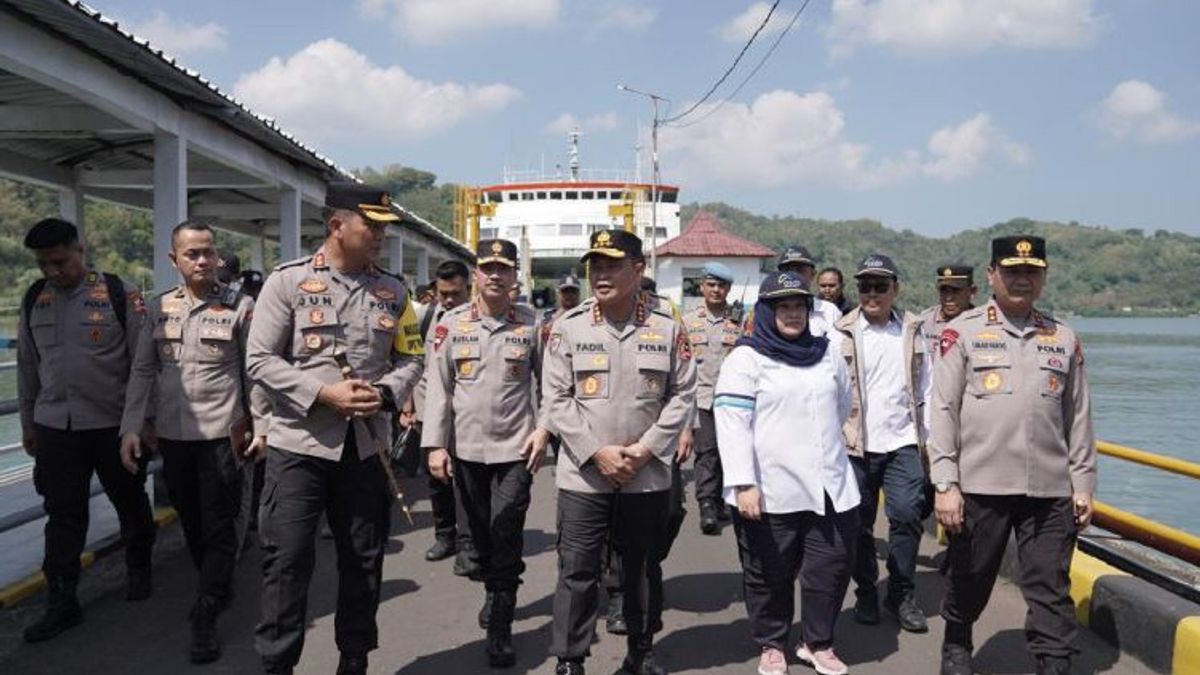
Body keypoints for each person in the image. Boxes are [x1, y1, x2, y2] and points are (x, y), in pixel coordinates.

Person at [246, 182, 425, 675]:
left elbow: (411, 356)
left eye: (385, 228)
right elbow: (259, 360)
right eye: (372, 226)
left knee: (363, 560)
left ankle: (354, 658)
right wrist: (323, 393)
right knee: (287, 563)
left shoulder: (394, 290)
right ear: (336, 226)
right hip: (299, 445)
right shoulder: (287, 283)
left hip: (366, 449)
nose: (381, 236)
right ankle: (277, 664)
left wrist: (386, 392)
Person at [931, 235, 1097, 675]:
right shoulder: (962, 332)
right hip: (981, 483)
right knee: (973, 575)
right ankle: (957, 638)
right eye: (1012, 271)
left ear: (1043, 278)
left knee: (1049, 584)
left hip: (1049, 488)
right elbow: (942, 411)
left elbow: (1078, 417)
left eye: (1031, 272)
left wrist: (1083, 485)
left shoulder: (1062, 337)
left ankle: (1054, 661)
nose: (1022, 279)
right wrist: (945, 484)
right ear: (991, 276)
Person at [543, 229, 696, 675]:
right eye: (596, 267)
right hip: (584, 475)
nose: (601, 275)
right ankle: (570, 659)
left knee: (642, 568)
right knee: (577, 569)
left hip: (645, 475)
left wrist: (645, 451)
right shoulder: (568, 328)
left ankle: (640, 650)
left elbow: (682, 395)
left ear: (638, 269)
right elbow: (555, 398)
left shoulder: (667, 327)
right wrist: (596, 453)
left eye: (612, 265)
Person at [118, 221, 267, 663]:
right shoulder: (159, 308)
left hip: (223, 433)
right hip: (173, 436)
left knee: (220, 522)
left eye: (208, 252)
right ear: (174, 260)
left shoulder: (239, 306)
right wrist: (131, 427)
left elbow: (252, 374)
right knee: (191, 519)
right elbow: (143, 370)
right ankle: (214, 583)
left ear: (218, 255)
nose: (202, 261)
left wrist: (261, 427)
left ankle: (205, 613)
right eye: (192, 254)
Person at [16, 218, 157, 644]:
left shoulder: (118, 292)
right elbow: (27, 367)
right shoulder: (34, 298)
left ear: (80, 248)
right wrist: (28, 424)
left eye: (59, 262)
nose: (53, 272)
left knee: (129, 501)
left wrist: (139, 423)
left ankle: (138, 567)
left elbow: (142, 365)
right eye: (44, 265)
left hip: (114, 425)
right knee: (62, 514)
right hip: (56, 427)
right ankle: (62, 601)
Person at [715, 271, 860, 675]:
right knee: (768, 573)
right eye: (783, 307)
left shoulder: (828, 351)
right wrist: (744, 483)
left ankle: (817, 641)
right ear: (766, 311)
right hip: (769, 488)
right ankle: (772, 642)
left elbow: (841, 403)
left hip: (830, 484)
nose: (793, 314)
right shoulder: (746, 358)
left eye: (799, 306)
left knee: (829, 568)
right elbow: (731, 424)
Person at [422, 239, 551, 668]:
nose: (495, 275)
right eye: (488, 267)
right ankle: (494, 590)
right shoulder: (451, 324)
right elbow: (439, 388)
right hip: (466, 450)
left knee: (506, 530)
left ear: (516, 276)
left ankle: (501, 623)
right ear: (476, 274)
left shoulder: (532, 324)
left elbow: (550, 385)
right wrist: (436, 445)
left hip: (516, 449)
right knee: (477, 536)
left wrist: (544, 430)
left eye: (504, 268)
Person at [832, 254, 931, 633]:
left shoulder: (912, 330)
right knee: (857, 525)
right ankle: (867, 592)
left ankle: (902, 593)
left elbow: (928, 386)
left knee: (906, 515)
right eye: (865, 286)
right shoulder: (840, 332)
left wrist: (931, 446)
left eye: (880, 286)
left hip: (903, 441)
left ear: (895, 290)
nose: (871, 294)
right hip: (854, 444)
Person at [410, 259, 479, 574]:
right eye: (443, 293)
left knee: (464, 482)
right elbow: (413, 363)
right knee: (436, 480)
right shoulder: (426, 318)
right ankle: (444, 536)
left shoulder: (478, 318)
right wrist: (408, 406)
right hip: (429, 410)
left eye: (455, 293)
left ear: (469, 287)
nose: (448, 300)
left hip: (466, 414)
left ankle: (468, 544)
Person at [682, 262, 741, 535]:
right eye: (711, 285)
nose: (716, 290)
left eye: (721, 285)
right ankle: (706, 504)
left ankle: (719, 501)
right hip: (701, 397)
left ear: (728, 288)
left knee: (730, 452)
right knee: (707, 452)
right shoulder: (688, 321)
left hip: (734, 399)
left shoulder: (740, 321)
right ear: (702, 287)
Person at [775, 245, 843, 335]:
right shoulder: (768, 310)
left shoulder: (830, 312)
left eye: (800, 270)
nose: (794, 276)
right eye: (788, 271)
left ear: (813, 274)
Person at [918, 264, 976, 359]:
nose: (949, 298)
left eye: (956, 291)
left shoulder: (981, 325)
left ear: (972, 291)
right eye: (944, 290)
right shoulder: (923, 324)